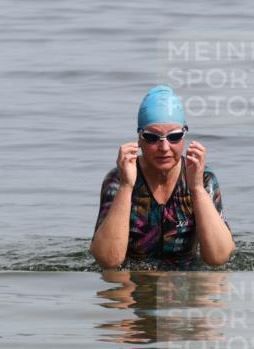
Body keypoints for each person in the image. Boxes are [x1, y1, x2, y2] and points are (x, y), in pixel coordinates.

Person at [90, 86, 235, 269]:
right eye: (152, 137)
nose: (164, 147)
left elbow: (219, 258)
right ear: (140, 139)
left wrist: (197, 189)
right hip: (134, 281)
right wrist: (126, 187)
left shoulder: (202, 177)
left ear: (184, 136)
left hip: (184, 281)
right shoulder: (119, 179)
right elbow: (108, 261)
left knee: (214, 288)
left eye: (174, 136)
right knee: (120, 290)